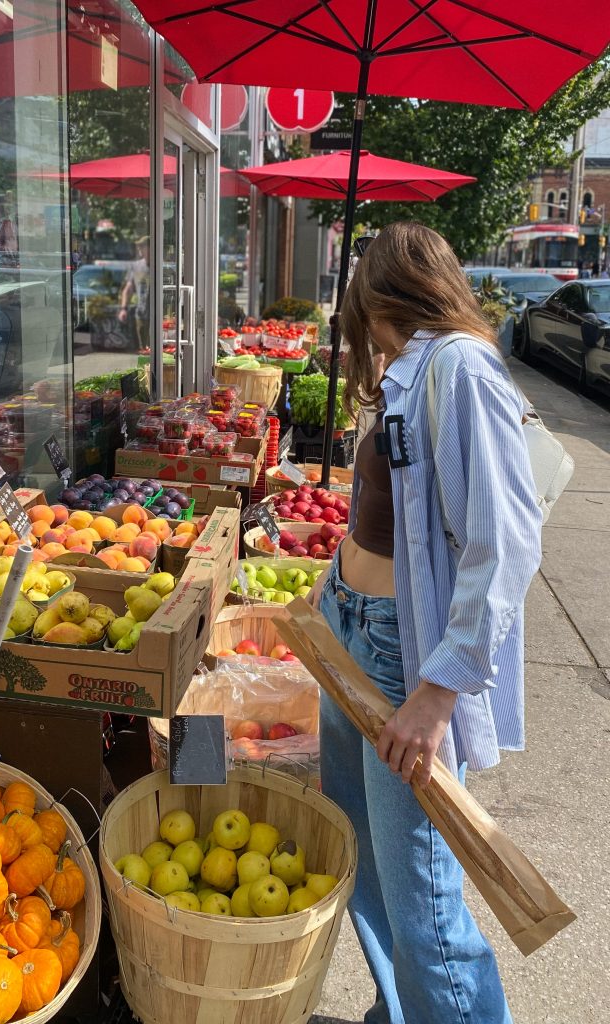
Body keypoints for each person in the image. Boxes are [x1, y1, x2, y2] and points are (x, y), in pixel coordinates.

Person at [310, 222, 542, 1024]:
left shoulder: (463, 368)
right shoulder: (415, 366)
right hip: (350, 626)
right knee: (367, 861)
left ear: (385, 292)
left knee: (423, 897)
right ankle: (401, 1012)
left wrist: (438, 690)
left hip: (397, 653)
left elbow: (505, 543)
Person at [118, 235, 150, 347]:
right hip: (142, 314)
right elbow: (129, 288)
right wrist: (123, 309)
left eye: (142, 246)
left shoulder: (160, 266)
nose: (139, 249)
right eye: (139, 246)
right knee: (144, 350)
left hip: (159, 316)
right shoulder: (136, 266)